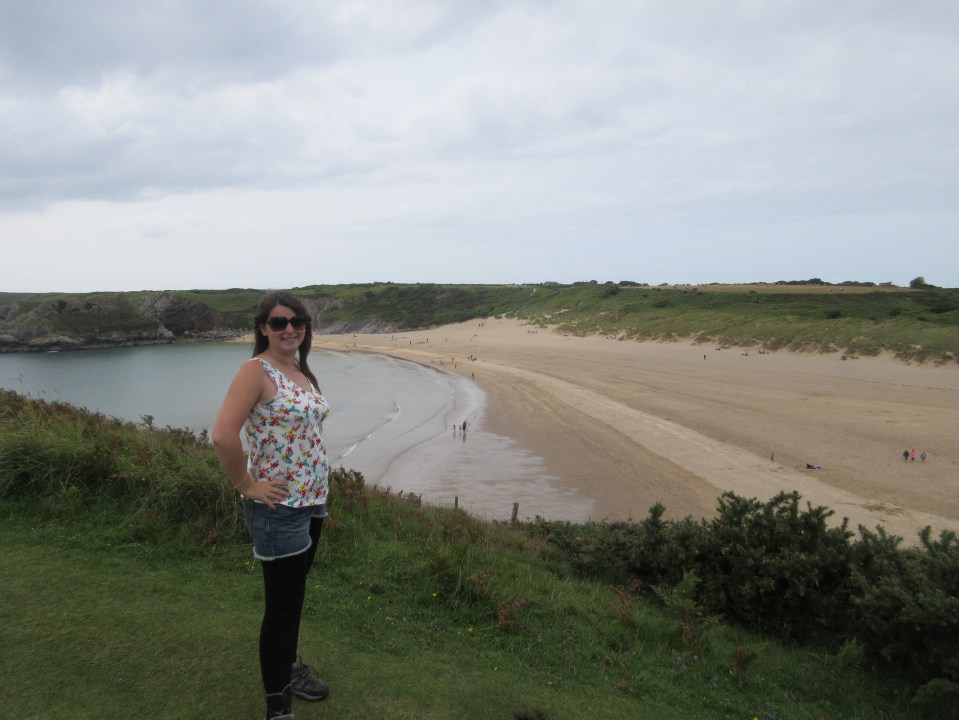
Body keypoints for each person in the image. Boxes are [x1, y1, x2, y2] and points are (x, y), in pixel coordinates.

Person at [212, 291, 331, 720]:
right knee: (281, 609)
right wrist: (247, 484)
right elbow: (223, 435)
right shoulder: (255, 371)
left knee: (293, 601)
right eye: (279, 322)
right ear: (263, 327)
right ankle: (277, 708)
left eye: (297, 321)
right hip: (278, 510)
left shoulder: (298, 369)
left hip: (312, 502)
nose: (290, 329)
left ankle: (289, 668)